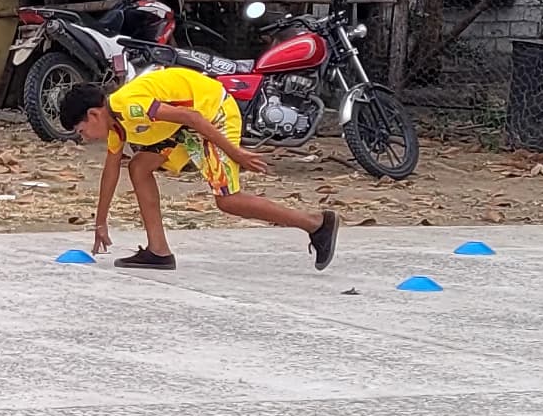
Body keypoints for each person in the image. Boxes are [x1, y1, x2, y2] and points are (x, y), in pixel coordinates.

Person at [51, 67, 340, 271]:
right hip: (181, 129)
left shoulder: (128, 106)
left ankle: (316, 224)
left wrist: (236, 153)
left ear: (94, 114)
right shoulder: (116, 126)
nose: (84, 138)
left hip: (212, 113)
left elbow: (192, 116)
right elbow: (110, 172)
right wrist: (100, 223)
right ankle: (158, 251)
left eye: (81, 131)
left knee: (228, 200)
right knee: (138, 167)